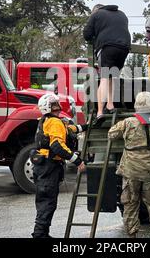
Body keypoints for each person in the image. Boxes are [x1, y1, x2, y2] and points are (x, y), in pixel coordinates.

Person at [108, 91, 150, 238]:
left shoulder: (128, 122)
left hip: (130, 171)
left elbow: (111, 134)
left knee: (130, 204)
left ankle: (132, 237)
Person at [31, 93, 86, 238]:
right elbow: (57, 146)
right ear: (48, 108)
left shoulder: (47, 120)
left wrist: (85, 127)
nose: (58, 107)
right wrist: (77, 161)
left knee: (46, 201)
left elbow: (68, 130)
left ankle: (42, 234)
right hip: (49, 167)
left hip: (43, 166)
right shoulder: (54, 122)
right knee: (47, 202)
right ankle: (39, 235)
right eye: (54, 105)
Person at [83, 4, 131, 125]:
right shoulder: (122, 14)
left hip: (107, 47)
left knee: (104, 78)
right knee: (113, 76)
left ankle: (99, 112)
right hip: (124, 47)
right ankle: (110, 105)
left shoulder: (96, 14)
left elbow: (87, 34)